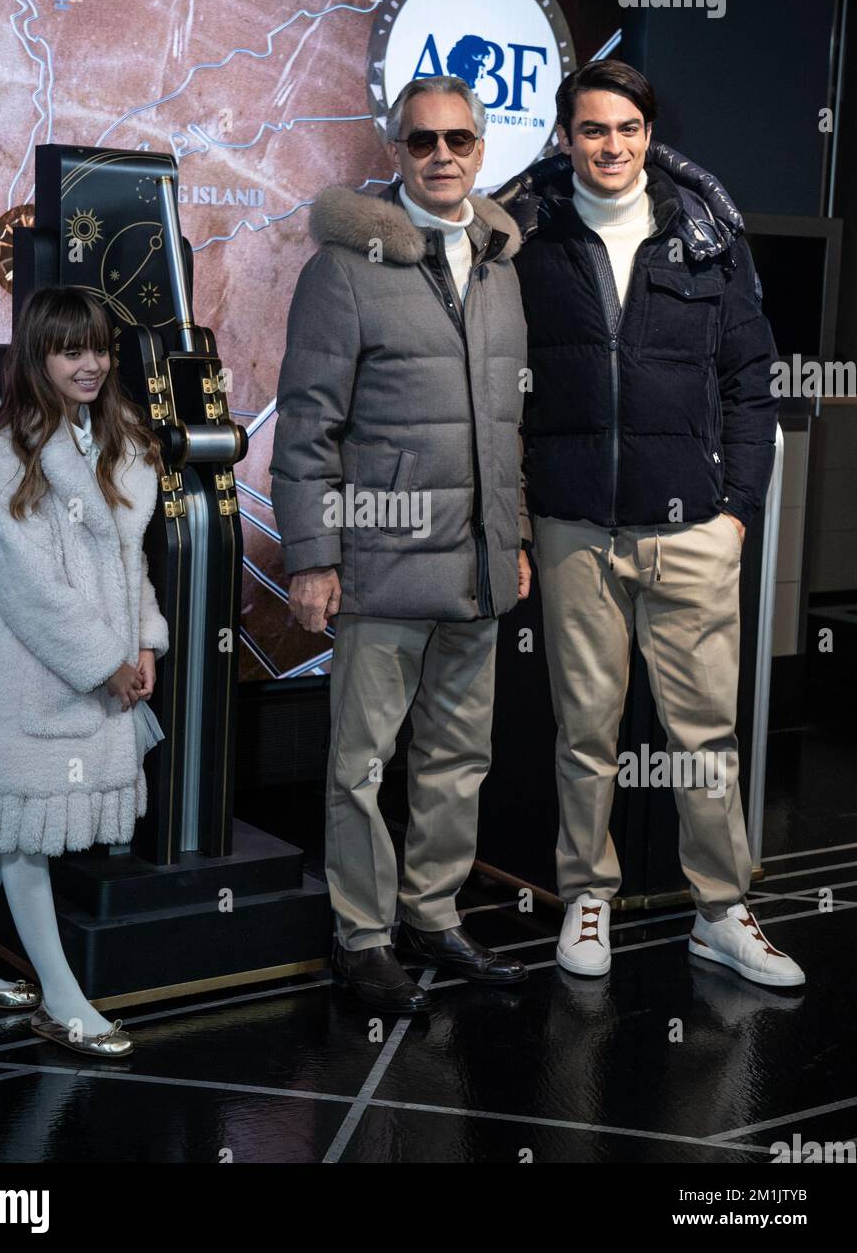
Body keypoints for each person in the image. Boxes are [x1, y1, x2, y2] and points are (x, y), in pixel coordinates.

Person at [495, 59, 804, 987]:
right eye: (592, 130)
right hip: (573, 526)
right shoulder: (528, 237)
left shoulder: (704, 234)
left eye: (626, 129)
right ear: (564, 137)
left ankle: (720, 911)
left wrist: (736, 513)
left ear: (647, 135)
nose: (611, 147)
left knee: (703, 737)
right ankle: (587, 896)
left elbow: (753, 383)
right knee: (584, 729)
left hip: (692, 532)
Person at [270, 74, 531, 1012]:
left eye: (458, 139)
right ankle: (362, 935)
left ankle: (432, 914)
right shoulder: (343, 270)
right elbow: (306, 427)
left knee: (459, 757)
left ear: (480, 147)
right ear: (394, 153)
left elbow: (507, 427)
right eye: (422, 141)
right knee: (359, 764)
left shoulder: (501, 264)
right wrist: (311, 555)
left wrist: (517, 536)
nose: (442, 156)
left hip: (478, 568)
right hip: (379, 569)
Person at [0, 285, 170, 1055]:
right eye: (71, 349)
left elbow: (128, 565)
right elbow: (35, 593)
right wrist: (108, 662)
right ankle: (62, 1004)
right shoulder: (9, 452)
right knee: (25, 837)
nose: (90, 363)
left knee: (4, 828)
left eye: (98, 347)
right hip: (19, 678)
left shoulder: (117, 438)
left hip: (88, 676)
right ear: (38, 356)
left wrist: (146, 644)